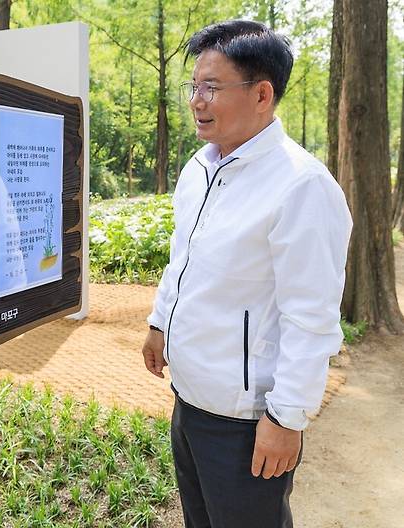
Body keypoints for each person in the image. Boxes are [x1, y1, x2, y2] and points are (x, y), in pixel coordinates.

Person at [142, 20, 352, 527]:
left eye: (211, 87)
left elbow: (312, 318)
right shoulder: (199, 168)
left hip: (246, 419)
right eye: (194, 86)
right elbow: (182, 258)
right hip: (189, 400)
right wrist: (159, 322)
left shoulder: (301, 186)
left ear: (262, 94)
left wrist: (286, 418)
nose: (196, 100)